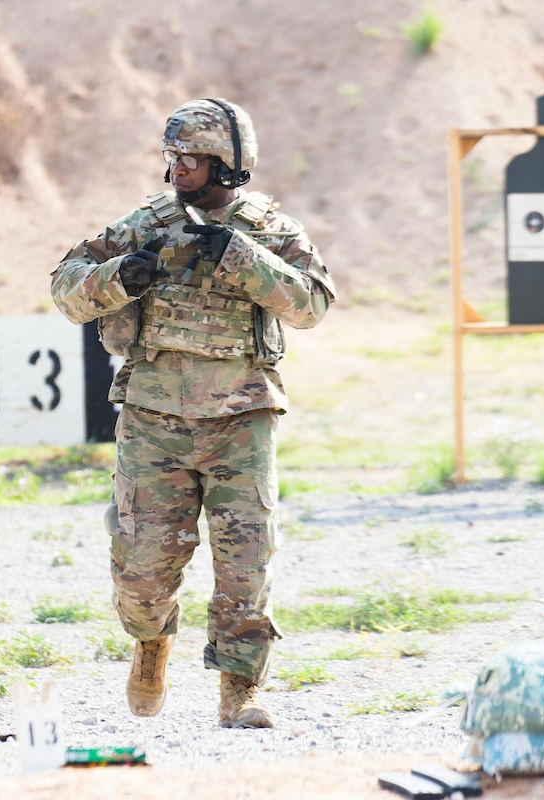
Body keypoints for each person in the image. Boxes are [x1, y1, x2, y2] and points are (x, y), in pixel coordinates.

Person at [50, 98, 335, 728]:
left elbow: (312, 304)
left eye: (191, 158)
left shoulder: (269, 230)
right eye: (171, 157)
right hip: (154, 420)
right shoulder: (145, 223)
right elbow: (66, 286)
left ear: (228, 164)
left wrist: (242, 257)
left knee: (247, 560)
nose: (176, 168)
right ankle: (151, 645)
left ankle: (241, 688)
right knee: (142, 565)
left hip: (242, 419)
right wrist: (121, 276)